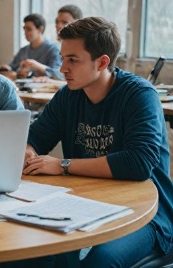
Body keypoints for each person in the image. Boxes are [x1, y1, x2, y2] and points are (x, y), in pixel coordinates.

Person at [13, 17, 173, 267]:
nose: (63, 68)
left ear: (102, 62)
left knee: (97, 261)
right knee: (20, 253)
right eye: (63, 58)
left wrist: (63, 165)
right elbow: (35, 138)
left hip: (145, 212)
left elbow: (138, 163)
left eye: (73, 60)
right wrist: (27, 152)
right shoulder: (68, 95)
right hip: (83, 204)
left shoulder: (139, 95)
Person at [0, 13, 62, 80]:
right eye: (24, 29)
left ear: (40, 29)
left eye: (29, 29)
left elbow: (58, 74)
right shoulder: (23, 51)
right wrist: (7, 69)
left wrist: (37, 66)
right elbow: (12, 68)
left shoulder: (53, 49)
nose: (25, 32)